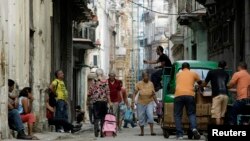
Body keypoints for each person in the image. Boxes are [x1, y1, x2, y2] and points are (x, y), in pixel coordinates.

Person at [174, 62, 202, 140]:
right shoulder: (193, 73)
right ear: (189, 68)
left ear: (182, 68)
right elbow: (200, 83)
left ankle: (180, 135)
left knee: (177, 115)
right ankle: (194, 128)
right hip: (190, 95)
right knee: (191, 113)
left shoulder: (178, 75)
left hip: (178, 95)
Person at [202, 60, 229, 125]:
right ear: (225, 67)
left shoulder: (211, 72)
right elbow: (225, 84)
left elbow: (205, 84)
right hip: (225, 95)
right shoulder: (226, 74)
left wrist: (200, 86)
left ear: (218, 65)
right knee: (222, 116)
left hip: (217, 96)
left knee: (217, 116)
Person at [132, 71, 158, 136]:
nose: (147, 77)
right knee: (141, 117)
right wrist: (133, 102)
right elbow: (134, 93)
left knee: (150, 116)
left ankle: (152, 131)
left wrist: (157, 103)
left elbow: (153, 94)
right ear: (143, 77)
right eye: (145, 76)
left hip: (149, 102)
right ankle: (142, 132)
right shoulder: (139, 83)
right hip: (140, 103)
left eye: (147, 76)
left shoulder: (151, 83)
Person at [88, 68, 111, 137]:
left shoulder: (93, 81)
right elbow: (107, 92)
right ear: (102, 73)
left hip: (96, 101)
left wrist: (88, 99)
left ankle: (96, 128)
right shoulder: (106, 81)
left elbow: (90, 92)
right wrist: (109, 102)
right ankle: (102, 132)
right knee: (103, 117)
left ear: (96, 74)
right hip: (103, 101)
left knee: (96, 116)